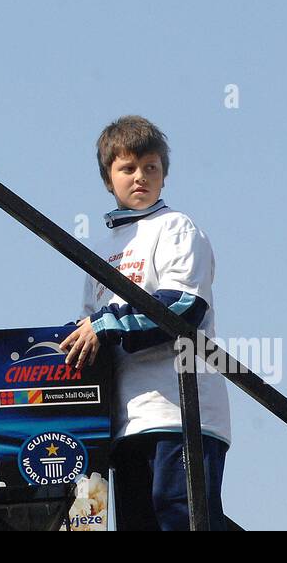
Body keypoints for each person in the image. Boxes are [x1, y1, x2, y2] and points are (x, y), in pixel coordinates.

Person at [59, 116, 231, 530]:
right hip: (125, 422)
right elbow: (89, 331)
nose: (140, 177)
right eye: (128, 168)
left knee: (182, 519)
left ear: (164, 175)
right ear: (108, 179)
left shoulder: (176, 227)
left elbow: (185, 308)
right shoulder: (99, 250)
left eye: (150, 167)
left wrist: (105, 326)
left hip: (181, 412)